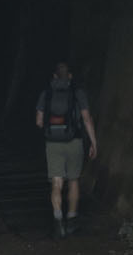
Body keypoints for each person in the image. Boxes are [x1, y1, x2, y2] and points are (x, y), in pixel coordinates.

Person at [36, 61, 96, 238]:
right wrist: (94, 142)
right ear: (70, 76)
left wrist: (53, 130)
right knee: (74, 180)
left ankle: (57, 220)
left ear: (54, 76)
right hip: (74, 141)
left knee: (56, 182)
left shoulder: (46, 93)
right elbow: (87, 119)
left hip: (53, 143)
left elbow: (39, 121)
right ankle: (71, 220)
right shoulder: (78, 93)